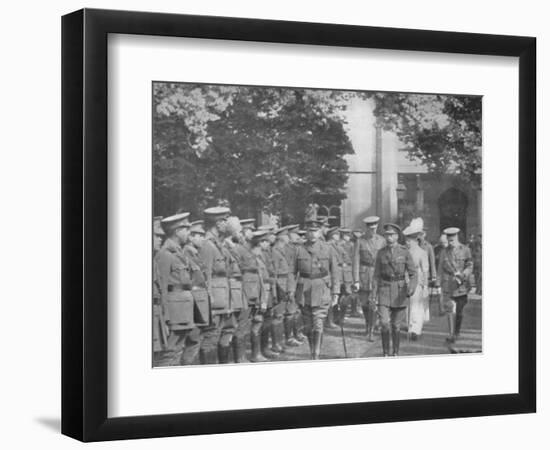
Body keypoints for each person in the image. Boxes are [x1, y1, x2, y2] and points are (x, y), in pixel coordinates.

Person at [156, 212, 201, 365]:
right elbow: (161, 287)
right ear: (177, 231)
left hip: (183, 309)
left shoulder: (179, 252)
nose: (189, 232)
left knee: (178, 349)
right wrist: (165, 317)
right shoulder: (165, 254)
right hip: (174, 312)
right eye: (186, 229)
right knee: (170, 352)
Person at [294, 220, 339, 359]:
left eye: (315, 231)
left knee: (318, 323)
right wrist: (291, 291)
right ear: (306, 233)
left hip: (322, 289)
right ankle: (312, 348)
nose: (312, 234)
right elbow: (292, 272)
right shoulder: (299, 249)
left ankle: (316, 354)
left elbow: (335, 271)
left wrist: (335, 292)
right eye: (309, 231)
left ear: (320, 233)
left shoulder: (328, 248)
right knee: (308, 326)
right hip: (304, 290)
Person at [373, 223, 417, 356]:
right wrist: (373, 294)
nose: (388, 237)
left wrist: (411, 288)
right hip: (384, 290)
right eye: (386, 235)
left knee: (396, 326)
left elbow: (413, 273)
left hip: (400, 291)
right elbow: (376, 275)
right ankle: (386, 352)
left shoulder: (404, 252)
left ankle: (396, 352)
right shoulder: (381, 253)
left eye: (391, 235)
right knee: (384, 323)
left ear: (397, 236)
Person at [199, 206, 235, 364]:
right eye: (225, 220)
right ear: (218, 223)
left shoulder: (219, 244)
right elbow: (204, 276)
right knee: (210, 339)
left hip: (223, 298)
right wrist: (209, 302)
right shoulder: (207, 245)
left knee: (220, 335)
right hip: (214, 301)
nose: (227, 224)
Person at [182, 220, 215, 364]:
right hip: (192, 303)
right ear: (191, 237)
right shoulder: (186, 254)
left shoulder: (195, 254)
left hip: (199, 301)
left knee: (198, 338)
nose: (202, 238)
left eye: (203, 235)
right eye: (199, 235)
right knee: (193, 339)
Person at [437, 227, 474, 343]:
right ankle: (452, 334)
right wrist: (439, 283)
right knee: (449, 309)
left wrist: (464, 274)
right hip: (448, 283)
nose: (450, 243)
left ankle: (457, 332)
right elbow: (440, 268)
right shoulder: (444, 251)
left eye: (452, 240)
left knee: (460, 311)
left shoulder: (465, 250)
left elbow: (470, 265)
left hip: (462, 285)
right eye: (449, 240)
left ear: (457, 237)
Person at [353, 216, 386, 342]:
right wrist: (355, 280)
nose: (373, 230)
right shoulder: (360, 241)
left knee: (374, 303)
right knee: (365, 304)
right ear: (366, 228)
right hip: (364, 275)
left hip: (377, 274)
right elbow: (355, 261)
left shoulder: (382, 240)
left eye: (375, 228)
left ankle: (371, 329)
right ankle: (368, 325)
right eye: (371, 228)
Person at [272, 225, 301, 348]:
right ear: (281, 239)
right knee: (278, 315)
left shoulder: (284, 250)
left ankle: (284, 340)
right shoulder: (274, 252)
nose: (288, 240)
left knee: (287, 313)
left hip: (287, 286)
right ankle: (276, 343)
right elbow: (274, 274)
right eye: (286, 238)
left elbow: (290, 271)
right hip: (279, 288)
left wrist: (291, 288)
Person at [403, 224, 429, 340]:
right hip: (406, 280)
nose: (406, 243)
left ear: (414, 241)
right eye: (406, 241)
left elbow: (425, 270)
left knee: (417, 306)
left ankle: (416, 330)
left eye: (408, 241)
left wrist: (425, 286)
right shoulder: (405, 252)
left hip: (417, 282)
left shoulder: (422, 252)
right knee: (408, 306)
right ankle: (409, 326)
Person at [152, 217, 168, 354]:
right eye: (156, 236)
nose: (160, 239)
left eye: (160, 236)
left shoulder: (153, 260)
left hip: (156, 312)